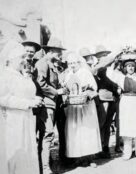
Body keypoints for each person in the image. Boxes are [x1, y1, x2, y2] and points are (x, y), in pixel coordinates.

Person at [0, 42, 43, 174]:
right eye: (21, 57)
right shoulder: (5, 76)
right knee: (15, 151)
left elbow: (26, 93)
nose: (24, 60)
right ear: (10, 59)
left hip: (26, 118)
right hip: (13, 119)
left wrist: (34, 100)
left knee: (27, 150)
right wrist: (28, 103)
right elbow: (3, 98)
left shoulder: (23, 75)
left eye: (25, 57)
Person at [106, 53, 136, 160]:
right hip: (126, 104)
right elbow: (109, 73)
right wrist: (115, 61)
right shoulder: (121, 77)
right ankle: (127, 152)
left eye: (132, 66)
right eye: (128, 66)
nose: (130, 68)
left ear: (135, 67)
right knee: (127, 127)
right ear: (125, 68)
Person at [62, 52, 102, 167]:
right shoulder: (68, 74)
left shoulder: (85, 72)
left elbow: (94, 87)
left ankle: (90, 157)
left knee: (86, 130)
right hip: (74, 106)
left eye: (74, 63)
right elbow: (66, 88)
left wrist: (86, 91)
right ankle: (78, 157)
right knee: (75, 131)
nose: (72, 65)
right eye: (70, 63)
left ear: (79, 63)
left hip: (86, 106)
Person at [35, 37, 67, 173]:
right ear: (52, 51)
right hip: (46, 104)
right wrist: (57, 91)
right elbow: (40, 83)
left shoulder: (52, 65)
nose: (60, 55)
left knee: (48, 135)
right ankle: (45, 167)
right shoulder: (43, 63)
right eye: (59, 52)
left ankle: (46, 164)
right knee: (47, 134)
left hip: (53, 104)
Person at [93, 45, 120, 157]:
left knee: (108, 125)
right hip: (103, 98)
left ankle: (105, 147)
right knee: (101, 124)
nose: (106, 56)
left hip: (111, 98)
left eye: (106, 54)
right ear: (98, 57)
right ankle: (98, 148)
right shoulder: (98, 67)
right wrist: (117, 52)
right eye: (103, 55)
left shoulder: (108, 68)